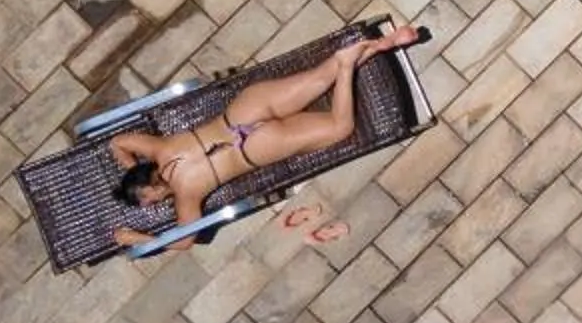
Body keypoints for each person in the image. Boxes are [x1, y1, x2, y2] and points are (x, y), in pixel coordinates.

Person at [108, 23, 424, 252]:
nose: (150, 206)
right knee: (318, 76)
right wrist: (129, 171)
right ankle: (378, 45)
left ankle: (346, 68)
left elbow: (184, 241)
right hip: (244, 109)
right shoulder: (159, 148)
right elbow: (117, 143)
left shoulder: (186, 196)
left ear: (148, 188)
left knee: (339, 128)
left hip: (253, 147)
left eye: (145, 199)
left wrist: (136, 239)